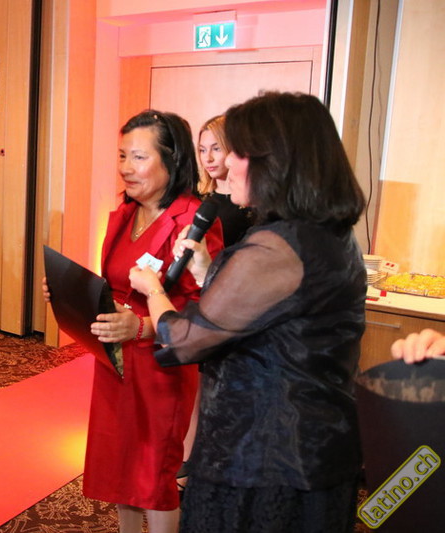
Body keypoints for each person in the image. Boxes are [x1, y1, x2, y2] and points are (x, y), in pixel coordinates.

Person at [128, 92, 366, 533]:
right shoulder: (327, 233)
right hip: (316, 444)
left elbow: (185, 340)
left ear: (274, 161)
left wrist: (153, 291)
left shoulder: (276, 245)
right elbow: (269, 316)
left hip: (267, 455)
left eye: (236, 152)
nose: (226, 164)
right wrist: (206, 272)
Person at [46, 110, 224, 533]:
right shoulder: (125, 214)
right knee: (121, 469)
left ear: (172, 161)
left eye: (139, 157)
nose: (126, 167)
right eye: (122, 156)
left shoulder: (193, 222)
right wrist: (72, 295)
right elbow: (113, 286)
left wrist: (140, 326)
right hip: (115, 362)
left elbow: (205, 312)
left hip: (161, 368)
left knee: (154, 474)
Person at [196, 115, 253, 246]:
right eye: (202, 150)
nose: (208, 158)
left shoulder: (250, 204)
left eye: (216, 149)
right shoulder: (198, 197)